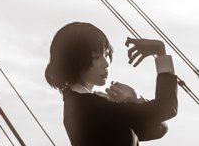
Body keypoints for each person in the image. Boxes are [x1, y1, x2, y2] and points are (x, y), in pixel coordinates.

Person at [45, 22, 178, 145]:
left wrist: (133, 100)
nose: (106, 63)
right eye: (96, 57)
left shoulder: (80, 104)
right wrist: (160, 52)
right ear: (75, 61)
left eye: (106, 54)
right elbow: (166, 108)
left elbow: (158, 128)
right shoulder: (92, 106)